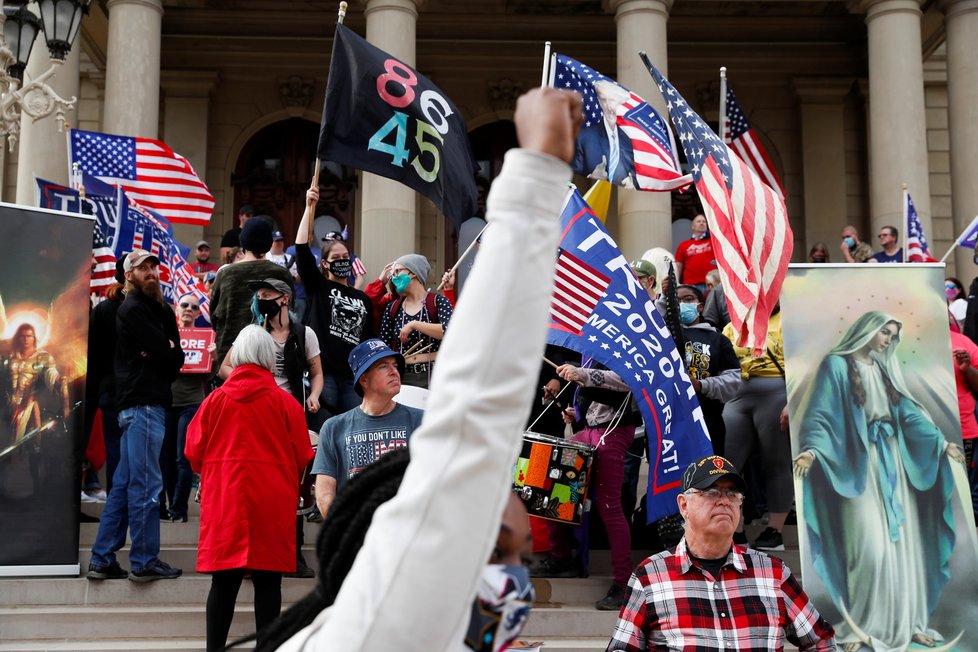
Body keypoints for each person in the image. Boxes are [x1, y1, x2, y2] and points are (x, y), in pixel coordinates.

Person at [248, 86, 583, 651]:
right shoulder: (375, 626)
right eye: (497, 547)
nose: (513, 578)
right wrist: (537, 175)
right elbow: (479, 405)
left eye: (514, 555)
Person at [793, 311, 964, 651]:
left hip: (895, 467)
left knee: (904, 548)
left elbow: (907, 413)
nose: (887, 341)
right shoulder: (836, 365)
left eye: (892, 336)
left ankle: (910, 620)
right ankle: (862, 625)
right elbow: (821, 414)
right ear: (867, 330)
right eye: (884, 333)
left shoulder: (883, 368)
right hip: (858, 466)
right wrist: (811, 450)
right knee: (867, 548)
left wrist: (941, 443)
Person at [607, 455, 836, 651]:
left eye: (733, 494)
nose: (725, 501)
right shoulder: (650, 576)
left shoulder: (773, 574)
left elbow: (820, 639)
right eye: (712, 492)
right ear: (684, 505)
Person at [186, 325, 313, 651]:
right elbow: (302, 453)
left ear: (238, 355)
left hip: (226, 496)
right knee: (268, 582)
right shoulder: (286, 404)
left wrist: (207, 472)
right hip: (272, 499)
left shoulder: (214, 401)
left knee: (223, 581)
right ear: (269, 357)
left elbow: (192, 450)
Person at [87, 250, 185, 582]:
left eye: (154, 266)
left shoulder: (159, 308)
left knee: (124, 484)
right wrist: (165, 349)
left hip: (144, 405)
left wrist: (166, 348)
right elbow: (165, 351)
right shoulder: (131, 309)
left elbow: (176, 358)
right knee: (146, 485)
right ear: (128, 275)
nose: (151, 272)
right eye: (143, 268)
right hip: (142, 406)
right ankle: (143, 560)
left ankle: (102, 558)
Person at [533, 361, 637, 612]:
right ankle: (561, 557)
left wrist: (582, 374)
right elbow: (597, 396)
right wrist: (575, 412)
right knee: (553, 484)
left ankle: (624, 583)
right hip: (591, 430)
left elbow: (627, 380)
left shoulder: (625, 343)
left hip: (614, 432)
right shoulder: (596, 348)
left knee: (610, 506)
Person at [312, 338, 423, 518]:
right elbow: (325, 493)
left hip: (406, 533)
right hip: (357, 535)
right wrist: (343, 530)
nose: (394, 371)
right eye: (383, 366)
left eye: (395, 365)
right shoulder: (333, 428)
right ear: (364, 379)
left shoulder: (420, 421)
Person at [294, 193, 375, 422]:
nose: (342, 260)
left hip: (352, 378)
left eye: (346, 257)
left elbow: (368, 340)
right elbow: (301, 248)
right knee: (324, 424)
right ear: (325, 263)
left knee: (355, 424)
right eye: (336, 257)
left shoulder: (363, 299)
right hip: (323, 374)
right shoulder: (319, 287)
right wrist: (309, 207)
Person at [722, 303, 790, 551]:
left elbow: (801, 363)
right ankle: (736, 530)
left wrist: (792, 401)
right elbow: (722, 363)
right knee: (728, 465)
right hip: (736, 395)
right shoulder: (733, 325)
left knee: (777, 462)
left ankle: (775, 531)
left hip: (776, 393)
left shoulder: (788, 321)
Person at [210, 217, 295, 371]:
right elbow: (289, 313)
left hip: (231, 363)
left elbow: (214, 315)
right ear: (269, 244)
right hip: (272, 358)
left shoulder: (226, 274)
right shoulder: (282, 274)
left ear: (243, 242)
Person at [158, 293, 211, 523]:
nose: (189, 309)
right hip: (167, 402)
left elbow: (210, 375)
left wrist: (213, 356)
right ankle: (166, 506)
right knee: (165, 458)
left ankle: (179, 509)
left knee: (183, 457)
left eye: (194, 306)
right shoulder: (165, 336)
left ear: (199, 313)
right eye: (184, 305)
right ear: (176, 309)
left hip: (191, 402)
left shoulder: (207, 339)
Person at [677, 285, 741, 455]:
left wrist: (701, 385)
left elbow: (733, 380)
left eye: (688, 299)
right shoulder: (663, 336)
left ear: (700, 306)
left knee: (710, 475)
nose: (682, 304)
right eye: (676, 301)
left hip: (708, 419)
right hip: (673, 422)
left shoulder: (718, 339)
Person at [377, 253, 453, 389]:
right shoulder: (393, 308)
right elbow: (384, 345)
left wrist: (414, 325)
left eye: (397, 271)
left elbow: (450, 331)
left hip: (436, 374)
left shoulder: (438, 301)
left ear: (413, 273)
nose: (393, 277)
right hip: (404, 376)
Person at [949, 329, 978, 522]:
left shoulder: (963, 343)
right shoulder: (903, 340)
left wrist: (967, 368)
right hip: (922, 432)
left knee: (964, 493)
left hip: (963, 431)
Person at [674, 214, 716, 292]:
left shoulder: (714, 242)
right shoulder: (684, 245)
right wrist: (676, 282)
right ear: (693, 226)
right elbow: (678, 265)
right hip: (690, 284)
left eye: (704, 221)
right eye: (699, 221)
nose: (702, 223)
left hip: (712, 283)